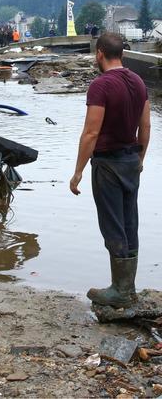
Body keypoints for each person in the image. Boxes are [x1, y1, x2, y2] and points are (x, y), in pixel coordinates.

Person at [70, 32, 150, 309]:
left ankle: (120, 290)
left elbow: (91, 132)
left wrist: (78, 171)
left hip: (108, 164)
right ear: (123, 54)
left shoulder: (101, 85)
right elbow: (146, 126)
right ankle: (129, 287)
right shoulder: (138, 82)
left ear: (100, 53)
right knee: (130, 221)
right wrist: (141, 157)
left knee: (113, 224)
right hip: (131, 160)